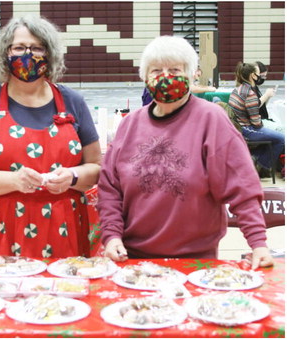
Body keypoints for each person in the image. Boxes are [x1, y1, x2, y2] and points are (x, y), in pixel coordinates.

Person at [97, 36, 274, 270]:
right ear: (144, 76)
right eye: (156, 70)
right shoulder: (130, 125)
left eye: (175, 69)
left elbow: (242, 185)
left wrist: (258, 243)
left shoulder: (211, 120)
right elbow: (110, 188)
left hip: (196, 261)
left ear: (192, 75)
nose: (165, 76)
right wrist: (112, 236)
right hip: (132, 259)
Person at [0, 16, 101, 258]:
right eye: (19, 47)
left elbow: (96, 167)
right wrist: (13, 181)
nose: (28, 54)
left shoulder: (73, 102)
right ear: (5, 53)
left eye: (37, 48)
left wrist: (72, 177)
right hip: (2, 229)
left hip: (65, 228)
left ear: (50, 54)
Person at [228, 62, 284, 175]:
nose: (260, 76)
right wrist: (266, 125)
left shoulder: (238, 89)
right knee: (282, 139)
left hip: (240, 127)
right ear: (253, 75)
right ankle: (261, 166)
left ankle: (255, 158)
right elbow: (256, 123)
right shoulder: (250, 93)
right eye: (258, 74)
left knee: (275, 136)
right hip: (246, 129)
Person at [253, 61, 283, 133]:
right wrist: (266, 95)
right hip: (257, 123)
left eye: (265, 76)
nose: (263, 79)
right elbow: (255, 106)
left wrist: (268, 96)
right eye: (262, 76)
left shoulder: (255, 87)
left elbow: (262, 106)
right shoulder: (249, 88)